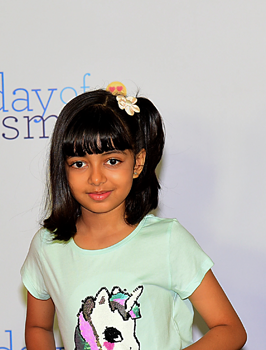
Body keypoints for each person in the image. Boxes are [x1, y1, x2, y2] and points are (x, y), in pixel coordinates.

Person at [21, 89, 246, 350]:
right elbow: (38, 326)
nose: (96, 178)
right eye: (79, 163)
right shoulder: (47, 246)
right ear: (63, 167)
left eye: (112, 161)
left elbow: (230, 329)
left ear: (138, 163)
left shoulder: (168, 241)